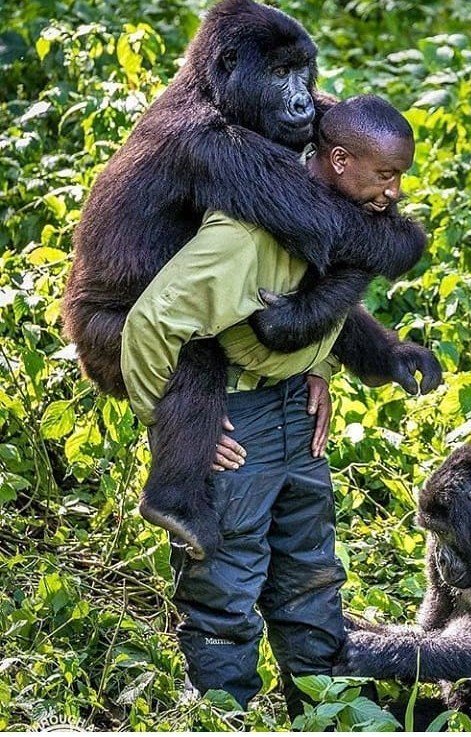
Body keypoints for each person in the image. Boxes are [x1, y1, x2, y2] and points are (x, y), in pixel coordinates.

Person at [120, 95, 417, 717]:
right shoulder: (243, 234)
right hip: (236, 418)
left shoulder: (334, 208)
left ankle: (324, 713)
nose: (394, 191)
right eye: (385, 176)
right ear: (339, 159)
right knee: (223, 589)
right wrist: (173, 427)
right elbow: (151, 324)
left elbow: (316, 301)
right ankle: (224, 718)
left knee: (311, 574)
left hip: (295, 416)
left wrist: (321, 367)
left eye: (399, 176)